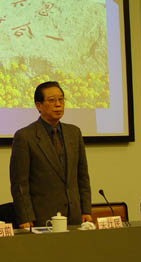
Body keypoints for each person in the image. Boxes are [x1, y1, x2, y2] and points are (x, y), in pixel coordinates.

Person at [10, 81, 92, 228]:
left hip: (74, 216)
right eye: (52, 100)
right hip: (43, 218)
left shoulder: (74, 133)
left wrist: (86, 209)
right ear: (39, 105)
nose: (58, 104)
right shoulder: (25, 136)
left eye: (61, 99)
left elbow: (82, 176)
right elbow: (20, 184)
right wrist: (25, 217)